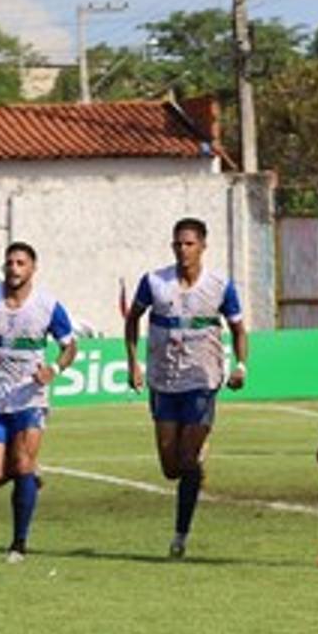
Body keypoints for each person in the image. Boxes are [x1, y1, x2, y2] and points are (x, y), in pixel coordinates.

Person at [124, 217, 249, 559]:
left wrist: (240, 366)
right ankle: (196, 463)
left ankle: (180, 534)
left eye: (189, 243)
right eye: (178, 243)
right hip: (163, 379)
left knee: (188, 459)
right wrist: (133, 361)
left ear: (203, 246)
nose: (183, 250)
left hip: (202, 379)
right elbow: (132, 319)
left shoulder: (220, 286)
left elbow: (238, 330)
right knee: (170, 468)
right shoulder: (154, 282)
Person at [0, 242, 78, 563]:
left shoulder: (47, 305)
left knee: (22, 463)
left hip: (30, 398)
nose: (13, 269)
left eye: (21, 263)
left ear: (33, 269)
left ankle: (18, 543)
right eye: (9, 263)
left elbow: (69, 346)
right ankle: (29, 481)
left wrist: (55, 369)